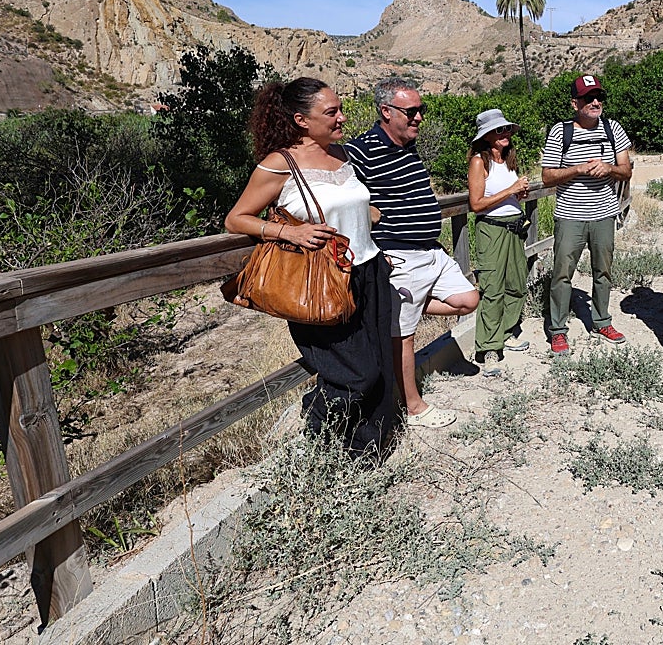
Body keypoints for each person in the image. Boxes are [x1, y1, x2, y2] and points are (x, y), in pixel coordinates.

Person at [225, 77, 396, 456]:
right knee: (356, 374)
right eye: (331, 112)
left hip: (368, 269)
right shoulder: (279, 164)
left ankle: (367, 452)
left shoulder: (341, 155)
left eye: (339, 109)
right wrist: (288, 233)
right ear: (302, 120)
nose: (342, 118)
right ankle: (317, 434)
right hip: (321, 280)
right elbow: (236, 219)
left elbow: (356, 206)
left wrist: (367, 215)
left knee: (379, 362)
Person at [344, 78, 479, 429]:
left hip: (431, 251)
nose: (419, 117)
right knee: (403, 337)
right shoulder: (361, 149)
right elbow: (340, 194)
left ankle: (403, 307)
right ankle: (414, 407)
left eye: (421, 109)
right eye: (411, 111)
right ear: (386, 112)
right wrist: (368, 217)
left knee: (467, 298)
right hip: (399, 255)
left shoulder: (407, 145)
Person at [541, 74, 633, 355]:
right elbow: (547, 176)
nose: (595, 102)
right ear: (574, 103)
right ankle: (558, 330)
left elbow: (626, 170)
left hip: (604, 213)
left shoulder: (613, 128)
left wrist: (609, 169)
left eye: (598, 97)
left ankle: (602, 320)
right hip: (570, 214)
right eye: (588, 98)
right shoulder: (561, 132)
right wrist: (577, 170)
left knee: (603, 270)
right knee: (562, 273)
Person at [467, 108, 532, 364]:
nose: (505, 133)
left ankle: (505, 332)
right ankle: (488, 347)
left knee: (516, 284)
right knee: (492, 288)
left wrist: (518, 194)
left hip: (514, 228)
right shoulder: (479, 162)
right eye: (499, 130)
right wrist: (511, 190)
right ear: (486, 136)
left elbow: (504, 195)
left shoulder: (508, 160)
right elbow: (476, 204)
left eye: (506, 129)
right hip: (492, 231)